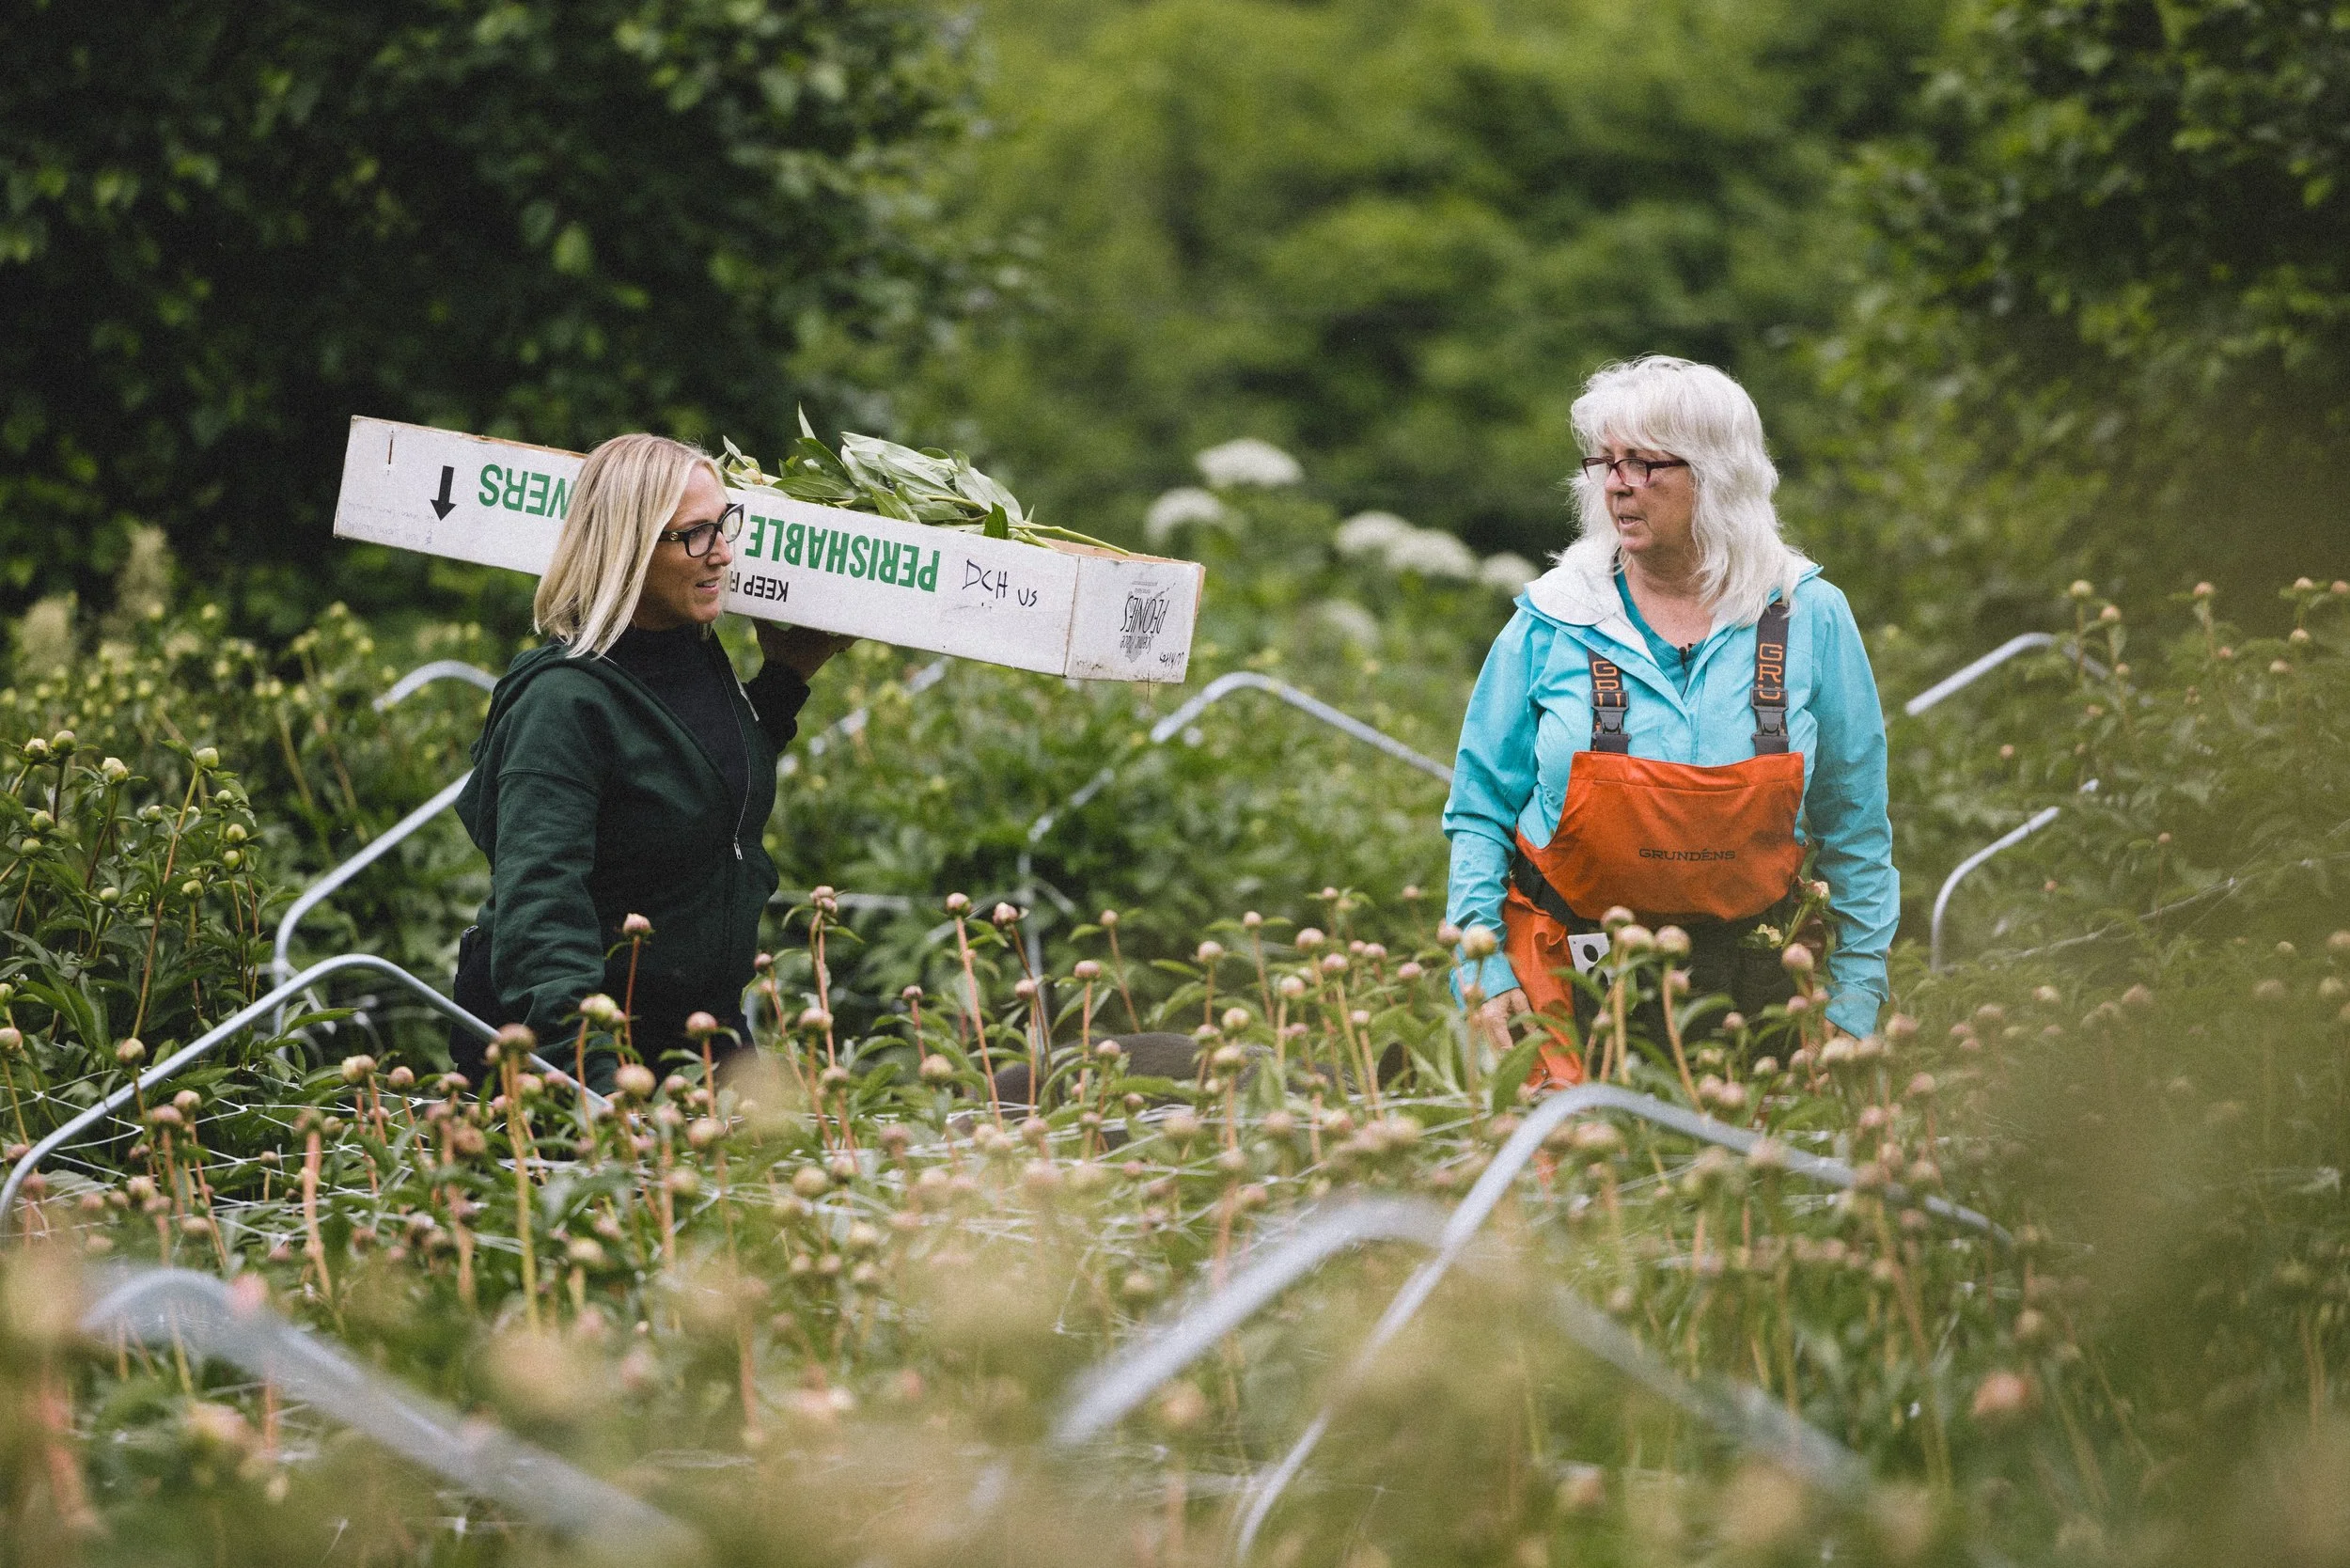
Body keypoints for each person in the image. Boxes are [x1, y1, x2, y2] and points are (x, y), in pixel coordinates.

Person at [1442, 356, 1895, 1086]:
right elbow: (1478, 812)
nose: (1618, 483)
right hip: (1563, 980)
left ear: (1717, 476)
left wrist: (1856, 991)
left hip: (1760, 986)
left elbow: (1856, 826)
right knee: (1578, 1189)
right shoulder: (1552, 620)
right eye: (1606, 462)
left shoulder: (1809, 615)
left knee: (1748, 1192)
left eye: (1647, 463)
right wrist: (1480, 966)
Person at [449, 433, 851, 1086]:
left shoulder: (690, 653)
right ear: (629, 547)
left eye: (726, 524)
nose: (722, 552)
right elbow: (540, 912)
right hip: (575, 1056)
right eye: (695, 534)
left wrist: (784, 678)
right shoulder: (562, 703)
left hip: (696, 1032)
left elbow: (694, 785)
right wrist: (596, 1085)